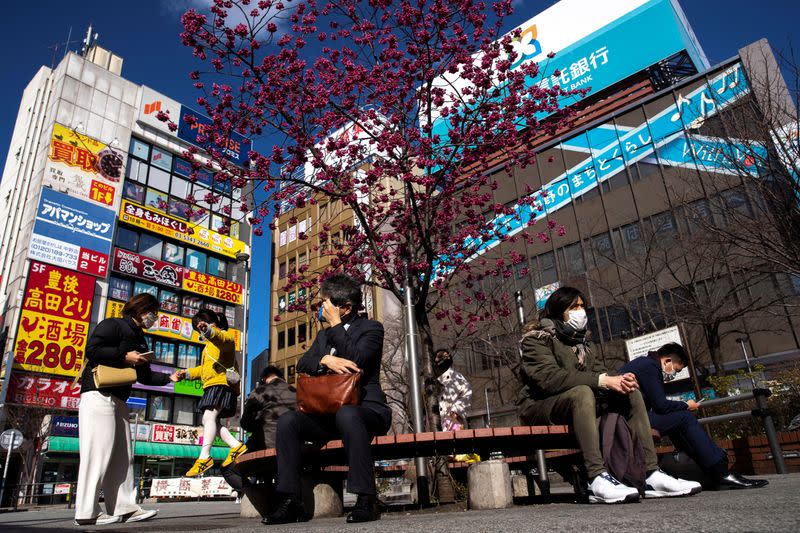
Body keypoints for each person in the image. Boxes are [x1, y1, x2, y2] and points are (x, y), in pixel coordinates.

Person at [516, 286, 701, 504]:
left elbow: (599, 372)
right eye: (573, 307)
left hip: (578, 403)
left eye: (583, 306)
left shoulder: (584, 342)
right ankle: (596, 478)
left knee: (631, 392)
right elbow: (549, 378)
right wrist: (602, 381)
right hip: (540, 405)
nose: (580, 312)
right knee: (582, 392)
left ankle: (650, 473)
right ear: (558, 310)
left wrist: (619, 380)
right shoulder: (537, 339)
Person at [264, 274, 392, 525]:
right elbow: (304, 363)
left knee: (348, 413)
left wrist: (335, 327)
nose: (320, 307)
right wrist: (325, 360)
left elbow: (358, 360)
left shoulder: (372, 328)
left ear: (344, 308)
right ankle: (291, 501)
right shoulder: (322, 337)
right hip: (327, 416)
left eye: (325, 302)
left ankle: (366, 498)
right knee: (289, 420)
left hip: (366, 411)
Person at [75, 293, 180, 525]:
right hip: (97, 393)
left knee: (123, 457)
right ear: (140, 310)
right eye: (153, 313)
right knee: (98, 454)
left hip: (119, 398)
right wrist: (124, 356)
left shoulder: (140, 339)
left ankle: (123, 508)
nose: (155, 318)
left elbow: (144, 375)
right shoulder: (114, 325)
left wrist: (169, 377)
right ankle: (86, 513)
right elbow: (92, 350)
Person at [619, 343, 768, 490]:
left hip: (627, 418)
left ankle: (709, 471)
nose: (673, 375)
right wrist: (686, 405)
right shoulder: (651, 366)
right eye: (676, 370)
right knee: (685, 417)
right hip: (627, 421)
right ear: (668, 360)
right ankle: (721, 472)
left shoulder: (644, 363)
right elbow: (661, 405)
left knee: (677, 419)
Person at [173, 309, 246, 477]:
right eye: (199, 330)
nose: (201, 332)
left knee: (208, 418)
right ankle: (236, 446)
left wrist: (209, 330)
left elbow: (223, 339)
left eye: (201, 329)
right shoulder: (208, 347)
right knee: (209, 420)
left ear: (211, 324)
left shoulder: (223, 337)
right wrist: (187, 374)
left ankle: (204, 457)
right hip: (212, 385)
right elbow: (204, 369)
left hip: (220, 384)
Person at [240, 365, 297, 452]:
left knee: (235, 462)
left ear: (263, 379)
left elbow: (245, 423)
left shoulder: (259, 391)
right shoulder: (296, 392)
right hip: (294, 445)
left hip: (265, 446)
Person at [433, 349, 473, 431]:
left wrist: (456, 410)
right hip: (436, 424)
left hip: (453, 423)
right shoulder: (432, 381)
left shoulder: (457, 378)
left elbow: (467, 394)